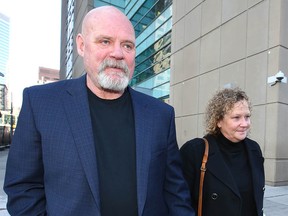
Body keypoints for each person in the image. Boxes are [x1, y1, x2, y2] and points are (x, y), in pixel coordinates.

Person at [4, 6, 195, 216]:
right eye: (105, 41)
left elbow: (176, 194)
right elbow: (23, 188)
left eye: (127, 45)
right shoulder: (41, 103)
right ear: (81, 45)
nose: (117, 53)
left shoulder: (160, 115)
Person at [180, 87, 265, 216]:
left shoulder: (254, 150)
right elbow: (180, 201)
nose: (245, 123)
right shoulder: (195, 151)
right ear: (218, 121)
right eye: (236, 117)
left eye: (247, 116)